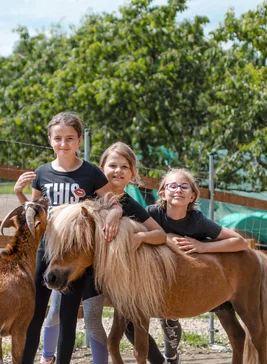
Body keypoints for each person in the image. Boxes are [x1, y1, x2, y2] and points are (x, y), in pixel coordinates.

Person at [38, 142, 167, 364]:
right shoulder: (89, 196)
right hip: (71, 266)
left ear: (132, 173)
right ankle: (46, 357)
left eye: (124, 167)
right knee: (56, 312)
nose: (117, 170)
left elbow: (160, 234)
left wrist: (140, 237)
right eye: (112, 165)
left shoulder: (129, 204)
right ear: (101, 169)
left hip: (98, 275)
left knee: (94, 319)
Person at [16, 112, 122, 364]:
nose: (63, 143)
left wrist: (115, 213)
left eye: (70, 138)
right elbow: (34, 212)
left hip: (73, 255)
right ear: (50, 140)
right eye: (58, 138)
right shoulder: (42, 173)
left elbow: (112, 203)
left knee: (67, 317)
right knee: (35, 313)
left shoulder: (92, 173)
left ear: (78, 140)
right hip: (46, 249)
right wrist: (18, 193)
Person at [125, 168, 248, 364]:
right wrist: (167, 238)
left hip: (188, 281)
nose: (178, 190)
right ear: (162, 193)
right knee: (131, 323)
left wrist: (203, 246)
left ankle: (172, 356)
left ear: (192, 195)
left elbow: (241, 242)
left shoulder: (197, 220)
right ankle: (159, 359)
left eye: (184, 186)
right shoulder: (152, 214)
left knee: (171, 319)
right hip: (154, 279)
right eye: (172, 185)